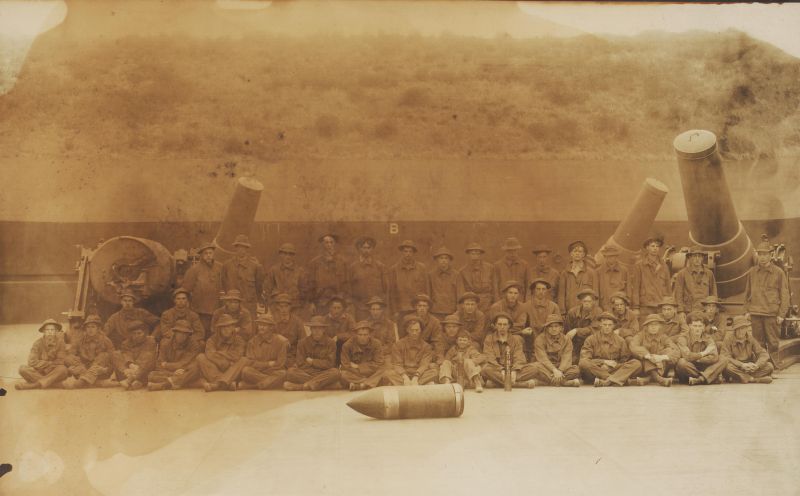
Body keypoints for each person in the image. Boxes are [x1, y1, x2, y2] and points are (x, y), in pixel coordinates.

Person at [743, 241, 790, 362]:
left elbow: (785, 295)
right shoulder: (752, 272)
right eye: (760, 254)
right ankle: (762, 365)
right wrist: (746, 311)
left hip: (771, 314)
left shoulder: (778, 273)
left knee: (773, 342)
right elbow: (747, 294)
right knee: (758, 343)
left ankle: (774, 366)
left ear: (770, 255)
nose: (762, 257)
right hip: (756, 313)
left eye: (765, 254)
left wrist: (781, 314)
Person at [579, 312, 642, 387]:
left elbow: (624, 361)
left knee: (636, 363)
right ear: (600, 324)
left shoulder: (620, 340)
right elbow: (585, 359)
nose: (607, 327)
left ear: (614, 326)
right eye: (604, 325)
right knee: (583, 363)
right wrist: (603, 362)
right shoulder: (590, 339)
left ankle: (607, 381)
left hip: (614, 369)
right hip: (596, 370)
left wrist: (613, 366)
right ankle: (614, 379)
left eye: (610, 325)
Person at [481, 313, 538, 388]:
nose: (502, 327)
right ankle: (521, 384)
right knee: (485, 370)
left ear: (509, 326)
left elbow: (519, 358)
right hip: (496, 369)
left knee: (534, 369)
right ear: (495, 325)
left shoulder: (516, 339)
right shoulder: (489, 339)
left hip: (512, 369)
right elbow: (489, 357)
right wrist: (501, 369)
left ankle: (496, 383)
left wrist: (514, 370)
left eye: (505, 324)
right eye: (499, 324)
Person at [284, 316, 341, 391]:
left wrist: (312, 361)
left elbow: (330, 364)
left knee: (336, 372)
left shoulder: (331, 343)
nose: (317, 331)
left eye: (320, 328)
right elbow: (300, 363)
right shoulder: (302, 343)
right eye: (314, 328)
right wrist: (317, 368)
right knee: (290, 372)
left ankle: (302, 386)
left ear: (324, 329)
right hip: (308, 372)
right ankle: (324, 385)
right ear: (311, 329)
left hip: (324, 372)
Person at [235, 313, 289, 390]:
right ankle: (271, 383)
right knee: (245, 371)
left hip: (273, 372)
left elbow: (280, 364)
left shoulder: (281, 341)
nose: (261, 327)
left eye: (264, 325)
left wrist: (262, 366)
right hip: (257, 372)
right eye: (260, 325)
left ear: (271, 327)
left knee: (283, 373)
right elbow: (250, 362)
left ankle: (253, 386)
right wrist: (267, 364)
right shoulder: (252, 342)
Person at [147, 320, 203, 391]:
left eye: (185, 334)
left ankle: (165, 385)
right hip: (175, 373)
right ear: (175, 332)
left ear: (188, 335)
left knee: (196, 368)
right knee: (151, 375)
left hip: (185, 370)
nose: (182, 336)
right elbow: (159, 365)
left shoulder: (194, 345)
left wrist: (166, 365)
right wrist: (173, 373)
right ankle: (187, 383)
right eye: (179, 333)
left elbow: (186, 363)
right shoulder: (165, 344)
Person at [196, 313, 247, 392]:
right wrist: (224, 362)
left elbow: (237, 355)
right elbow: (210, 354)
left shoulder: (239, 339)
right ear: (219, 329)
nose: (226, 330)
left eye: (229, 327)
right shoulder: (212, 339)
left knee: (243, 360)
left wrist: (219, 353)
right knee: (200, 357)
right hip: (215, 367)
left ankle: (217, 385)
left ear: (233, 328)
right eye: (223, 327)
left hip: (231, 369)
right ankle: (226, 383)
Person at [675, 311, 727, 385]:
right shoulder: (683, 338)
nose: (697, 329)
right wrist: (704, 353)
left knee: (723, 359)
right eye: (695, 326)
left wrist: (697, 359)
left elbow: (714, 357)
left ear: (704, 327)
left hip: (703, 366)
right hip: (688, 370)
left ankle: (700, 379)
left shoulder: (708, 338)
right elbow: (687, 356)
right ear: (689, 326)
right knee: (681, 362)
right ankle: (709, 377)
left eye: (700, 326)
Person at [63, 314, 115, 389]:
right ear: (85, 328)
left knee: (104, 355)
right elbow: (71, 354)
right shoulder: (80, 339)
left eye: (93, 327)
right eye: (88, 327)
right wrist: (71, 366)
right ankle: (91, 381)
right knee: (68, 358)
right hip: (83, 369)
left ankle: (83, 381)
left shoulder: (105, 340)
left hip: (99, 371)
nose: (90, 329)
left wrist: (105, 370)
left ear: (98, 328)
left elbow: (113, 358)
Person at [181, 241, 222, 334]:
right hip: (200, 310)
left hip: (217, 308)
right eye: (206, 253)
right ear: (201, 255)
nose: (208, 255)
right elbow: (185, 290)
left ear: (213, 254)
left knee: (215, 332)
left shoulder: (220, 268)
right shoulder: (194, 270)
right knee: (202, 332)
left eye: (210, 253)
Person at [16, 319, 69, 390]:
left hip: (54, 371)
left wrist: (48, 366)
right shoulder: (37, 343)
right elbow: (31, 362)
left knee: (63, 369)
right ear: (43, 331)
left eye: (52, 330)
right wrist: (47, 365)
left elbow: (61, 360)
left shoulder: (60, 343)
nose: (50, 332)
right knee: (22, 369)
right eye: (47, 330)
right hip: (40, 372)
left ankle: (34, 385)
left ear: (56, 331)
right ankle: (54, 384)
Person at [628, 314, 680, 386]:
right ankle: (659, 379)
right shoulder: (640, 335)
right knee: (645, 356)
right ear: (647, 326)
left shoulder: (663, 337)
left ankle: (648, 379)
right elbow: (633, 346)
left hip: (661, 367)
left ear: (659, 326)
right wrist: (648, 356)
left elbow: (676, 350)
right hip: (644, 368)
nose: (653, 327)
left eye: (656, 324)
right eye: (651, 325)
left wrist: (661, 357)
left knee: (668, 350)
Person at [385, 315, 438, 386]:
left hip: (419, 374)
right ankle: (419, 384)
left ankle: (406, 385)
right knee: (388, 373)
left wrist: (416, 377)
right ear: (407, 330)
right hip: (403, 373)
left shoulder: (426, 347)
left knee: (434, 371)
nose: (414, 333)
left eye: (417, 330)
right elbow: (397, 364)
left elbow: (424, 364)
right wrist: (405, 377)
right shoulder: (398, 345)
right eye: (412, 330)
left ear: (420, 330)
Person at [221, 234, 266, 317]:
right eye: (239, 247)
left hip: (249, 305)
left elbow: (259, 287)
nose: (241, 250)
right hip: (232, 305)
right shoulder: (227, 265)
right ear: (235, 248)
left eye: (244, 247)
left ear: (247, 248)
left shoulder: (255, 266)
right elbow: (224, 283)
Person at [530, 314, 581, 387]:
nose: (553, 329)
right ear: (546, 328)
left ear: (561, 328)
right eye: (550, 326)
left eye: (556, 326)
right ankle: (564, 382)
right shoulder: (540, 339)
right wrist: (554, 370)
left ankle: (546, 382)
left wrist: (560, 370)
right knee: (535, 367)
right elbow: (542, 358)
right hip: (546, 367)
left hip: (561, 367)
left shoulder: (566, 340)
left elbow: (566, 357)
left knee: (576, 370)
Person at [721, 315, 774, 384]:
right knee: (727, 368)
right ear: (735, 330)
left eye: (743, 328)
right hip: (736, 366)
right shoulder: (728, 339)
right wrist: (741, 365)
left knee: (769, 366)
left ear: (746, 328)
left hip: (749, 368)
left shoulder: (750, 338)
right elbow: (725, 356)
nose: (741, 331)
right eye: (738, 329)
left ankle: (741, 378)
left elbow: (763, 353)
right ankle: (754, 379)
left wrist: (757, 365)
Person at [629, 236, 672, 321]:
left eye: (657, 246)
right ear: (647, 248)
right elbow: (636, 288)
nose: (655, 248)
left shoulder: (664, 266)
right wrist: (636, 307)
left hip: (661, 305)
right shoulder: (639, 266)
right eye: (652, 246)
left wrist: (669, 304)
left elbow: (668, 287)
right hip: (645, 306)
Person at [308, 233, 349, 315]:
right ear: (322, 245)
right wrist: (311, 302)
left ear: (335, 244)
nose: (329, 245)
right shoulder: (315, 263)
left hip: (338, 302)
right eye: (326, 242)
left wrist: (346, 301)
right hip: (321, 301)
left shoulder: (342, 262)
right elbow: (311, 283)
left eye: (331, 242)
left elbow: (346, 283)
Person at [264, 243, 310, 317]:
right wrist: (271, 306)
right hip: (277, 307)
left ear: (293, 256)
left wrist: (300, 307)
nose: (287, 257)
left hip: (294, 308)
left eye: (290, 254)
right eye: (285, 254)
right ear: (280, 255)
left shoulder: (300, 271)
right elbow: (267, 290)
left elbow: (304, 292)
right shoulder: (274, 270)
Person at [387, 239, 429, 319]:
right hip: (401, 309)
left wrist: (425, 308)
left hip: (417, 308)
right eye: (405, 251)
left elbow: (426, 289)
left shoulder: (421, 268)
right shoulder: (394, 269)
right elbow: (392, 292)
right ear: (402, 252)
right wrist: (394, 311)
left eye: (410, 251)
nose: (408, 254)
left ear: (413, 253)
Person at [109, 320, 157, 390]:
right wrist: (130, 365)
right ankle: (135, 379)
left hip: (144, 368)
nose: (136, 336)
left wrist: (136, 367)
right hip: (130, 369)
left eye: (139, 333)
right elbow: (126, 354)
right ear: (130, 334)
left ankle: (131, 380)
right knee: (116, 354)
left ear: (145, 333)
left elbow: (146, 356)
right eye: (134, 333)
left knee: (148, 356)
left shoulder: (150, 341)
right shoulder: (126, 343)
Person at [348, 236, 388, 320]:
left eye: (369, 248)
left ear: (372, 249)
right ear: (359, 249)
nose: (366, 250)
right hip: (360, 308)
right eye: (364, 247)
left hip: (376, 308)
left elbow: (385, 288)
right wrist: (354, 305)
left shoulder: (380, 267)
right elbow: (349, 289)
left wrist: (380, 305)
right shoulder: (353, 268)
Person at [673, 246, 718, 319]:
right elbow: (678, 294)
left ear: (702, 258)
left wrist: (712, 311)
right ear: (690, 258)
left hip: (704, 312)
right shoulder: (682, 274)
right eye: (694, 256)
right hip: (688, 312)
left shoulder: (709, 274)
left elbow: (713, 294)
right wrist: (680, 311)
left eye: (699, 256)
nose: (697, 259)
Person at [339, 321, 385, 391]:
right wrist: (358, 370)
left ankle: (360, 384)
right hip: (355, 373)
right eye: (360, 335)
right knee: (342, 373)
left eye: (365, 335)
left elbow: (379, 363)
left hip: (371, 372)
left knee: (384, 370)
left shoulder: (376, 344)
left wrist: (359, 366)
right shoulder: (347, 345)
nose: (362, 337)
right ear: (355, 335)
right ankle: (368, 383)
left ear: (370, 335)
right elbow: (345, 365)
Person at [557, 240, 598, 315]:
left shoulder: (591, 273)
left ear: (584, 254)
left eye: (580, 251)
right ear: (571, 254)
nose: (577, 253)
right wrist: (562, 312)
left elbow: (596, 294)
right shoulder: (565, 273)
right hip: (570, 311)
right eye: (575, 251)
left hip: (587, 311)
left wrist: (594, 311)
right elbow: (561, 295)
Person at [564, 288, 603, 363]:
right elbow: (567, 331)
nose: (587, 303)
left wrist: (576, 330)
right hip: (575, 344)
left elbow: (594, 330)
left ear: (593, 302)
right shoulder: (572, 312)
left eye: (589, 301)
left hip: (592, 344)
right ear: (581, 301)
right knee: (571, 361)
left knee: (588, 362)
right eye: (584, 301)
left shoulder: (598, 312)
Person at [457, 242, 496, 312]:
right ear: (468, 255)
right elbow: (461, 292)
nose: (475, 256)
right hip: (471, 303)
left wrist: (495, 303)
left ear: (481, 255)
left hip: (488, 303)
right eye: (472, 254)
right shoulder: (462, 272)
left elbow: (495, 287)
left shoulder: (490, 268)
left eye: (477, 254)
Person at [272, 292, 307, 367]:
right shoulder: (273, 321)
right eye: (281, 307)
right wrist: (278, 337)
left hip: (292, 356)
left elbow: (303, 343)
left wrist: (298, 360)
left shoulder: (297, 322)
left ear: (290, 307)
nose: (284, 310)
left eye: (286, 306)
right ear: (277, 307)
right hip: (275, 356)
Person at [493, 237, 530, 302]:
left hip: (520, 299)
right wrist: (497, 300)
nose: (512, 253)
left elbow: (528, 284)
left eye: (514, 250)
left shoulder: (524, 265)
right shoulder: (498, 265)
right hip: (503, 299)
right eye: (510, 251)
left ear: (517, 250)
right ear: (505, 251)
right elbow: (495, 285)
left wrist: (527, 300)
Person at [323, 294, 356, 366]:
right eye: (334, 308)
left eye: (339, 308)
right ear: (330, 308)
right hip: (330, 347)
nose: (336, 310)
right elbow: (322, 334)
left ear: (343, 309)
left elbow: (354, 333)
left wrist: (338, 336)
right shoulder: (325, 319)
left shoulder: (349, 318)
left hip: (345, 347)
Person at [429, 246, 459, 319]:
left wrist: (458, 311)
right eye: (441, 258)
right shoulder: (431, 275)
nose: (443, 260)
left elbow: (460, 294)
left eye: (446, 258)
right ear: (437, 260)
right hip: (435, 311)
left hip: (452, 311)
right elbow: (428, 293)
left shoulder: (456, 275)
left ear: (449, 260)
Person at [596, 245, 628, 311]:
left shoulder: (624, 270)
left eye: (613, 256)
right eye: (608, 256)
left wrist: (627, 304)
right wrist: (597, 307)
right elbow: (596, 290)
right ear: (605, 257)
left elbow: (628, 289)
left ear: (617, 257)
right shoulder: (598, 271)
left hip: (620, 306)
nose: (611, 258)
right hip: (604, 305)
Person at [365, 296, 397, 360]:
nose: (375, 312)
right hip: (368, 355)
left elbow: (391, 343)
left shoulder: (389, 324)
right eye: (373, 309)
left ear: (382, 310)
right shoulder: (365, 324)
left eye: (378, 309)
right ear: (370, 310)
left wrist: (380, 352)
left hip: (385, 355)